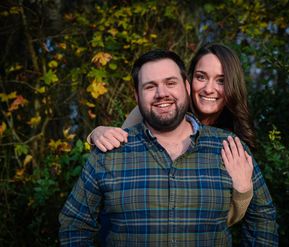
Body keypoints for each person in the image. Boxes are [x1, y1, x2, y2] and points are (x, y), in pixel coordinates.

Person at [86, 44, 278, 245]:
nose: (208, 88)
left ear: (232, 86)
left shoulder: (231, 138)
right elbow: (119, 153)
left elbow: (211, 217)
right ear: (188, 82)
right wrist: (96, 133)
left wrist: (243, 190)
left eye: (221, 80)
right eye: (201, 77)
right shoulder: (161, 108)